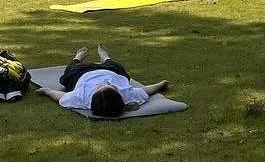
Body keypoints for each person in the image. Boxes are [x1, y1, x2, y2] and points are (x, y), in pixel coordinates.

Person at [38, 44, 168, 116]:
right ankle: (105, 57)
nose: (106, 83)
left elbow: (60, 96)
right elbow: (146, 90)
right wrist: (160, 84)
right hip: (112, 71)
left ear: (93, 95)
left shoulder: (81, 99)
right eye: (112, 86)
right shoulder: (128, 96)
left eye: (102, 87)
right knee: (117, 67)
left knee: (68, 74)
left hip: (83, 73)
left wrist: (47, 91)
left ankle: (78, 57)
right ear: (119, 96)